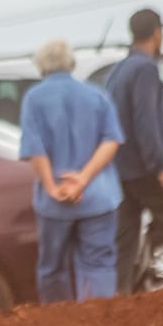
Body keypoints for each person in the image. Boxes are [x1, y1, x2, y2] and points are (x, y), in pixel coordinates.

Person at [19, 39, 124, 303]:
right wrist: (83, 180)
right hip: (98, 197)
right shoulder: (97, 95)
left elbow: (35, 148)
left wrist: (53, 187)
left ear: (41, 66)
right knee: (99, 265)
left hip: (55, 203)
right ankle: (98, 320)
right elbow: (112, 140)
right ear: (72, 62)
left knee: (53, 268)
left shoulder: (34, 99)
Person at [106, 8, 163, 294]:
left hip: (121, 170)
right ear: (157, 33)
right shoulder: (145, 69)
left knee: (125, 240)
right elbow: (146, 121)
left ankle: (118, 301)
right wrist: (159, 166)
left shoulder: (118, 70)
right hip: (145, 169)